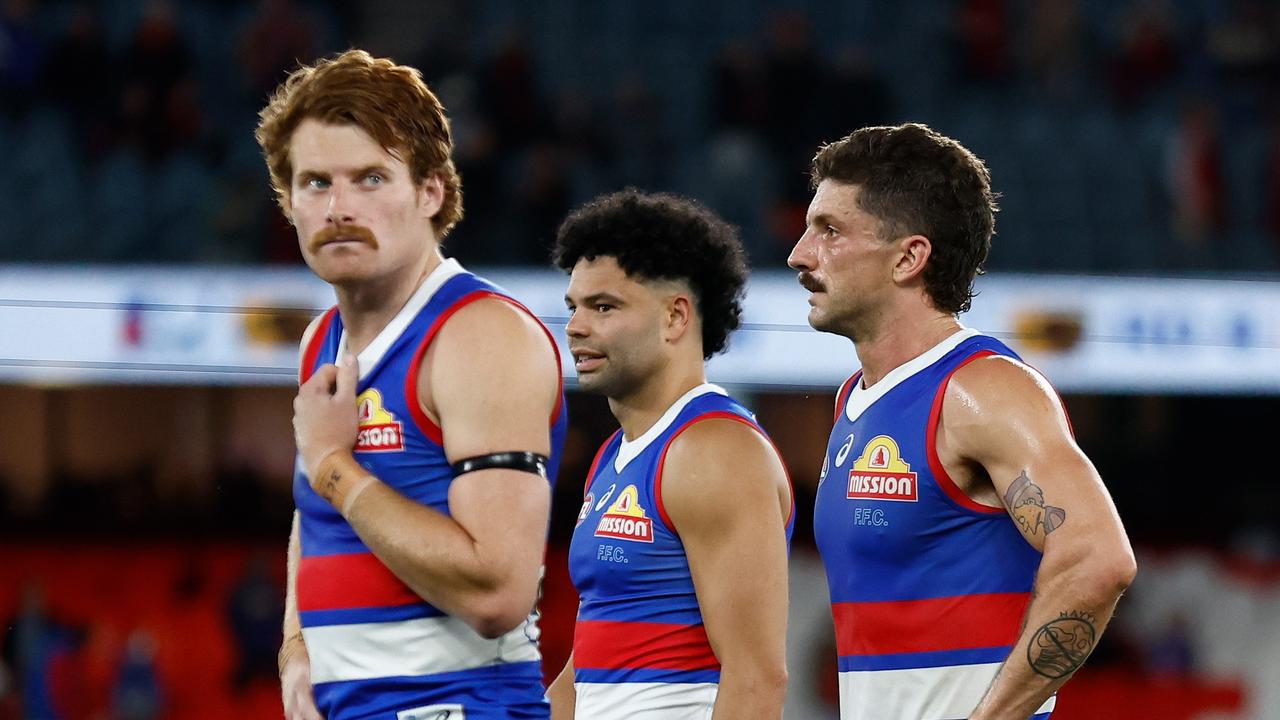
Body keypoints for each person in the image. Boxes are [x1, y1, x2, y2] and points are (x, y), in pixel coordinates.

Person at [256, 49, 567, 720]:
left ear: (432, 191)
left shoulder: (482, 336)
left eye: (370, 178)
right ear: (287, 202)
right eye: (314, 183)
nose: (339, 207)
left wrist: (335, 464)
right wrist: (295, 645)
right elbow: (313, 512)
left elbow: (497, 595)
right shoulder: (321, 340)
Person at [787, 123, 1137, 720]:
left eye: (830, 231)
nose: (800, 253)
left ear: (909, 258)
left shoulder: (982, 389)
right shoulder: (856, 399)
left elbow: (1099, 560)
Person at [546, 190, 793, 719]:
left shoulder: (716, 451)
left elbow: (757, 680)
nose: (575, 327)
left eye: (603, 307)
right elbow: (583, 670)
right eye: (574, 307)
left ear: (676, 316)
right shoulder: (616, 454)